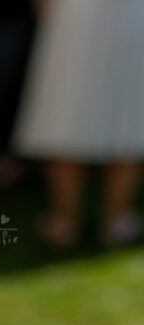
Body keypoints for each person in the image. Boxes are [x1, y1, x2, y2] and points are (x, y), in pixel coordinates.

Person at [14, 0, 144, 248]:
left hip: (76, 17)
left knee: (67, 110)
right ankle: (114, 219)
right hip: (129, 19)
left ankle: (65, 220)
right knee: (126, 114)